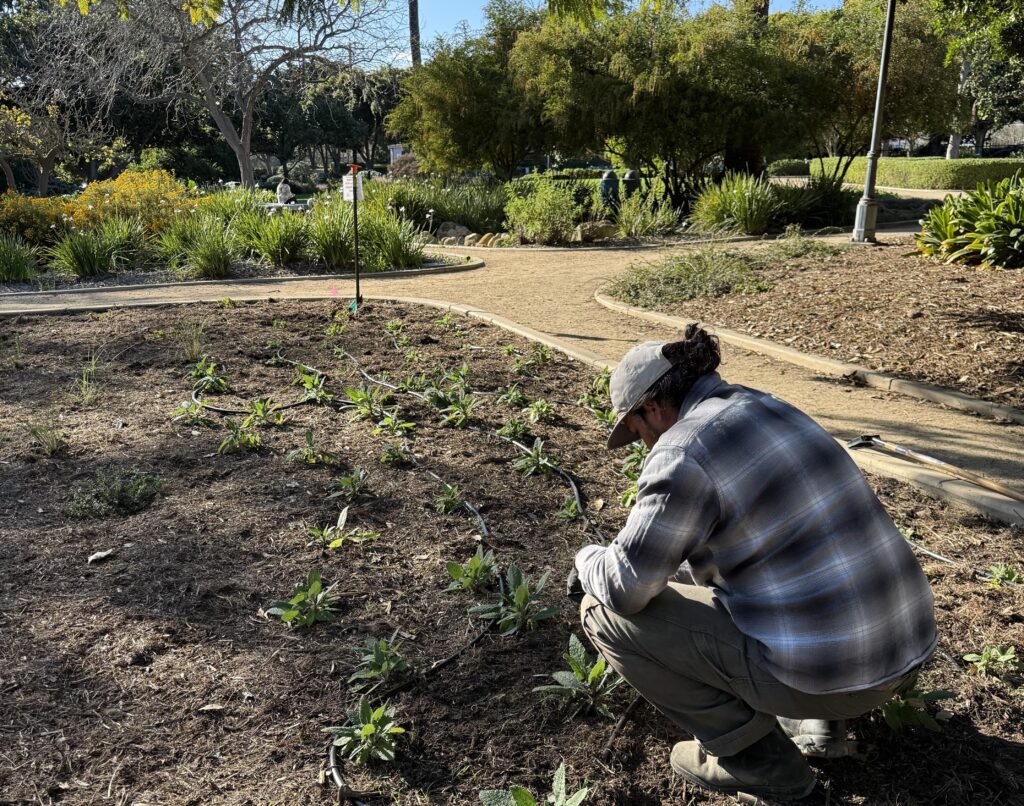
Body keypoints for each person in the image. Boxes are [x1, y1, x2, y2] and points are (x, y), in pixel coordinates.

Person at [569, 327, 936, 802]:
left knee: (606, 615)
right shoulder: (769, 407)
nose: (641, 443)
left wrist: (586, 559)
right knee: (796, 572)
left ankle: (762, 766)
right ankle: (818, 726)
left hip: (840, 678)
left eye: (636, 429)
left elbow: (626, 588)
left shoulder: (682, 451)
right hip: (905, 650)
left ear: (653, 408)